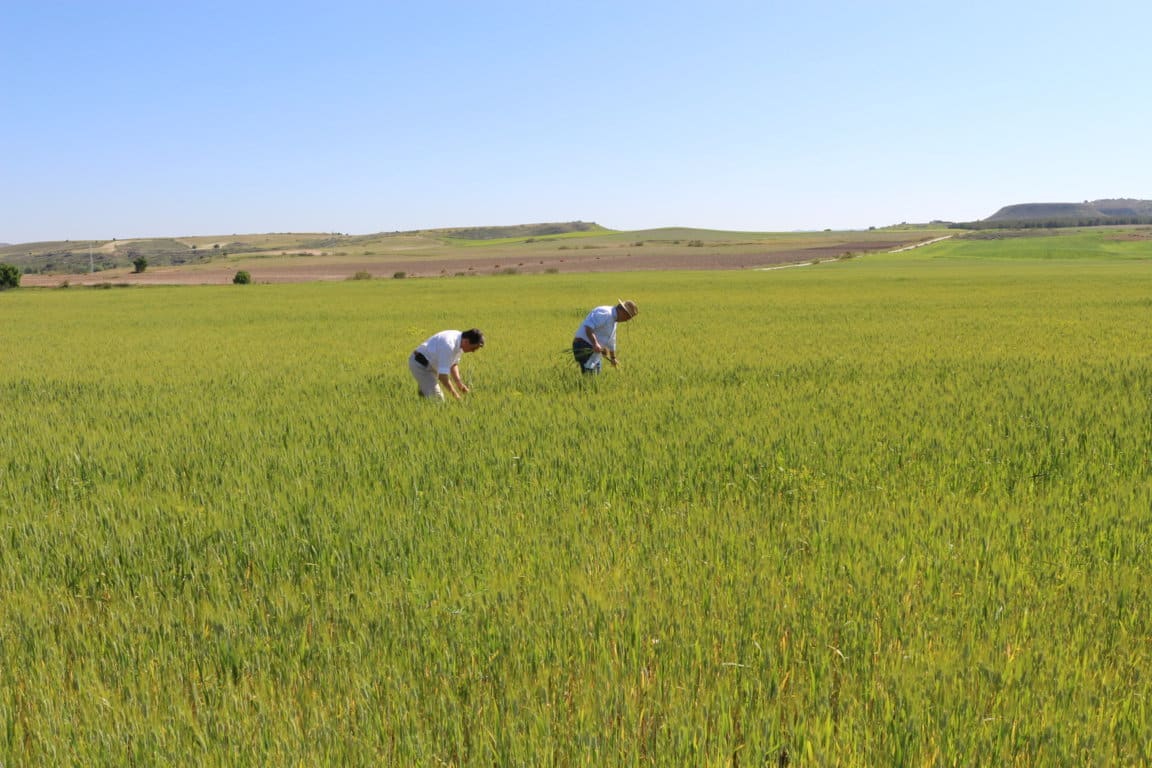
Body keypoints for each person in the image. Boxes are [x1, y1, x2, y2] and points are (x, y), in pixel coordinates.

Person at [409, 328, 485, 401]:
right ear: (466, 341)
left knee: (426, 396)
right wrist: (456, 396)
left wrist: (459, 384)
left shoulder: (460, 341)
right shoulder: (448, 345)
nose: (473, 351)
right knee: (438, 400)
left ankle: (423, 395)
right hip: (420, 364)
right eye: (473, 348)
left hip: (430, 363)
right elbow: (442, 376)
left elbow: (453, 364)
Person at [572, 299, 638, 374]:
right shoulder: (605, 313)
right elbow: (588, 327)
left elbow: (611, 340)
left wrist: (613, 358)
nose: (626, 320)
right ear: (623, 311)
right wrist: (595, 344)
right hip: (583, 345)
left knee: (596, 375)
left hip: (593, 349)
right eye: (628, 317)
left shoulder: (613, 320)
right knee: (590, 375)